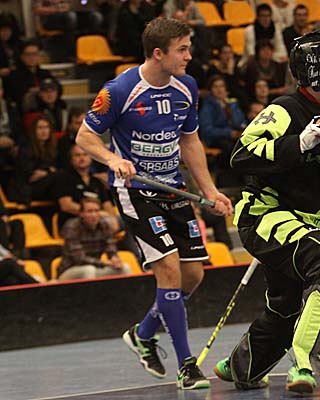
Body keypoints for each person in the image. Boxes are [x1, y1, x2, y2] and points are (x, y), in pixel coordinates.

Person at [213, 31, 320, 394]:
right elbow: (240, 156)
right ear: (317, 73)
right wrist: (299, 143)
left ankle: (241, 366)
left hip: (313, 224)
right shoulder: (283, 110)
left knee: (287, 306)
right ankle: (306, 363)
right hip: (267, 217)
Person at [75, 17, 233, 390]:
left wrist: (209, 191)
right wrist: (112, 159)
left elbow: (190, 141)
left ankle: (143, 333)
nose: (189, 56)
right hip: (135, 191)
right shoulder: (120, 89)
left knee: (194, 275)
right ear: (158, 53)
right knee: (169, 270)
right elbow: (85, 137)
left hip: (173, 189)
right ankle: (186, 366)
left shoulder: (186, 86)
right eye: (183, 49)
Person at [57, 197, 131, 280]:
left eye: (96, 211)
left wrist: (114, 258)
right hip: (69, 271)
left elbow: (110, 246)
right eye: (90, 211)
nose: (94, 215)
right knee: (88, 270)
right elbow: (79, 259)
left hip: (95, 267)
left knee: (124, 268)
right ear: (81, 214)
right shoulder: (72, 227)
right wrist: (104, 263)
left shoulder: (104, 225)